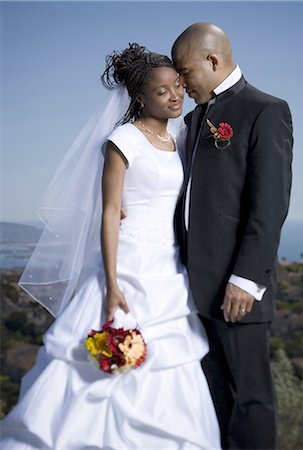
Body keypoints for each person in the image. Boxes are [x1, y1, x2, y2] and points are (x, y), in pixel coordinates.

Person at [0, 43, 221, 450]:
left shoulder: (182, 136)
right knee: (102, 367)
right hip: (128, 262)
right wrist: (113, 283)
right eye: (161, 91)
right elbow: (110, 212)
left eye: (177, 86)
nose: (174, 96)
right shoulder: (123, 140)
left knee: (171, 366)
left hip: (169, 267)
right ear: (139, 97)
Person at [172, 23, 293, 450]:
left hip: (237, 289)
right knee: (214, 398)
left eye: (186, 73)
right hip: (193, 289)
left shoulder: (265, 110)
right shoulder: (190, 120)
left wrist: (245, 278)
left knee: (251, 400)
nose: (180, 84)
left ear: (213, 61)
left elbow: (270, 204)